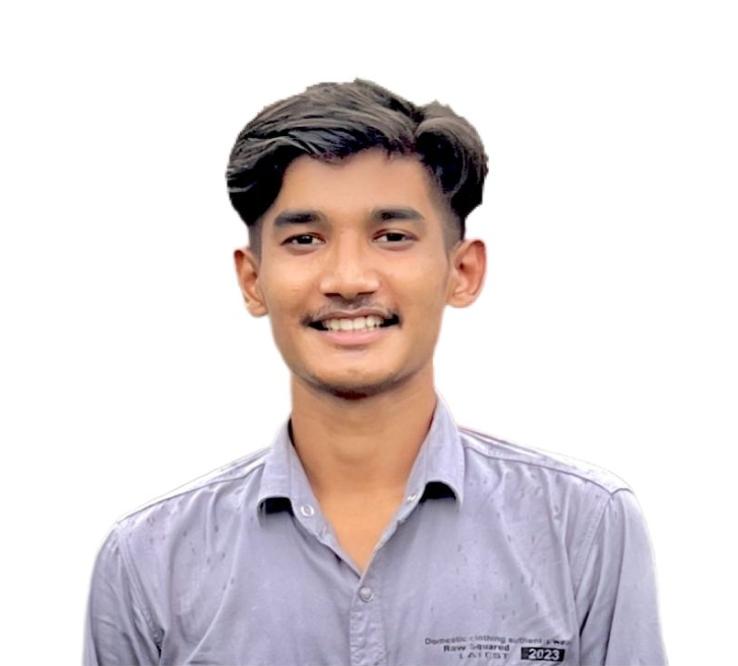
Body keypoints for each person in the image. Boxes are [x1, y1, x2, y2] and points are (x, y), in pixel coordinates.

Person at [83, 79, 668, 666]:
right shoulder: (148, 561)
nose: (349, 280)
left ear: (462, 272)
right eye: (305, 239)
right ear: (252, 280)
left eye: (391, 236)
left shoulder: (582, 527)